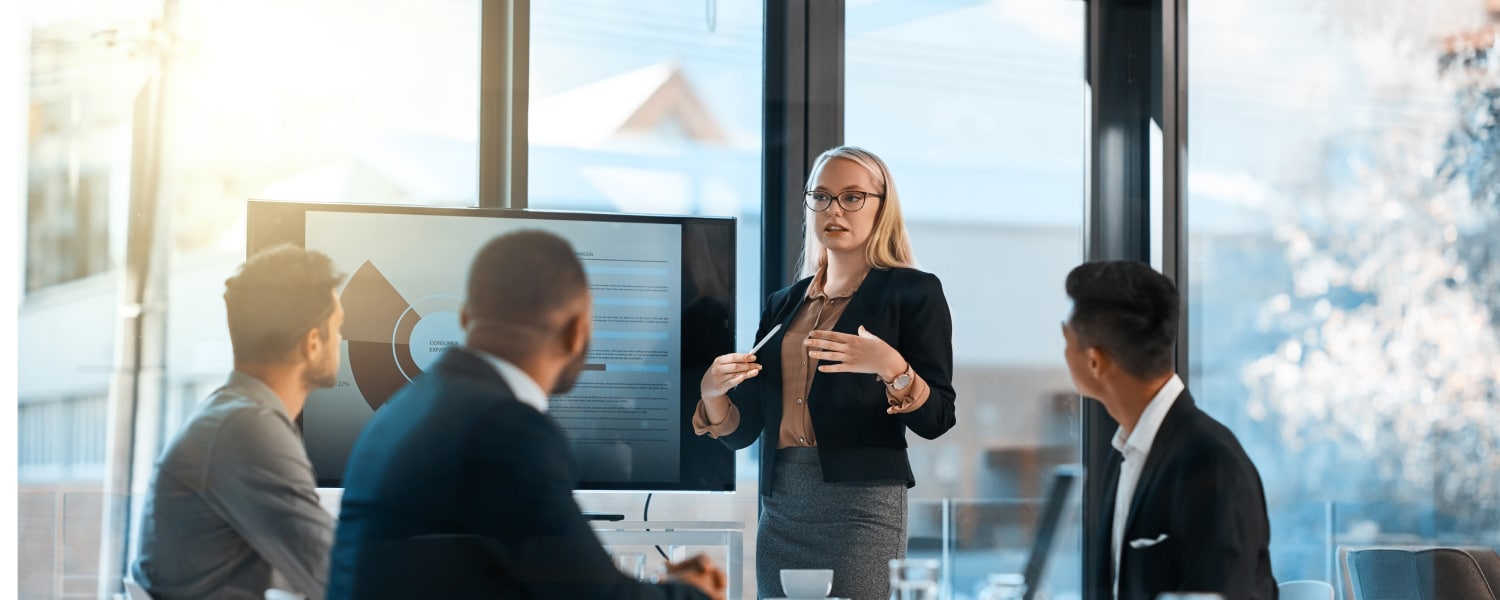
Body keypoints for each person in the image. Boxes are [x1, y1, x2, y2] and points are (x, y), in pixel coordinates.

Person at [327, 230, 727, 600]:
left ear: (465, 317)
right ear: (576, 334)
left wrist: (666, 588)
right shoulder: (503, 430)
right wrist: (695, 594)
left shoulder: (408, 407)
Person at [695, 145, 957, 600]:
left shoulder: (914, 291)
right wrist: (713, 394)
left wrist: (892, 368)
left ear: (881, 206)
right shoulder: (783, 303)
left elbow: (936, 419)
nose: (834, 209)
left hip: (861, 504)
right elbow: (746, 430)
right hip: (782, 504)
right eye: (822, 196)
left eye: (853, 197)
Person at [132, 244, 343, 600]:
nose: (342, 340)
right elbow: (337, 574)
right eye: (338, 329)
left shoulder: (233, 416)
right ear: (312, 343)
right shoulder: (248, 429)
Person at [1060, 261, 1277, 600]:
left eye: (1066, 339)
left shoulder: (1212, 462)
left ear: (1094, 362)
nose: (1062, 353)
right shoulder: (1128, 452)